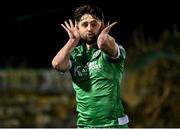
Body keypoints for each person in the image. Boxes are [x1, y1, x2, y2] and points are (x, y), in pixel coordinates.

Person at [52, 4, 129, 128]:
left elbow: (105, 43)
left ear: (102, 25)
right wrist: (72, 41)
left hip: (113, 125)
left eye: (94, 24)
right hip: (84, 125)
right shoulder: (75, 54)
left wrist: (103, 38)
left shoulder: (112, 50)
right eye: (84, 24)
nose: (89, 28)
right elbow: (57, 64)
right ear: (77, 27)